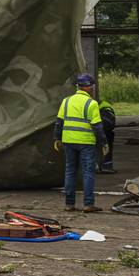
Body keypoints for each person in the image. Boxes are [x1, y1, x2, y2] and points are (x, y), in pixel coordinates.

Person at [52, 73, 108, 212]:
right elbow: (97, 126)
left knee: (70, 171)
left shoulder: (66, 101)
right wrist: (104, 143)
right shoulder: (92, 104)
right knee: (88, 172)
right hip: (86, 143)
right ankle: (88, 204)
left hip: (68, 141)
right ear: (90, 88)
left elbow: (59, 122)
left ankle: (69, 204)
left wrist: (57, 138)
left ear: (78, 86)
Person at [97, 94, 117, 174]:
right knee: (107, 141)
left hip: (102, 127)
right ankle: (106, 166)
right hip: (104, 128)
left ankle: (103, 165)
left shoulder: (103, 107)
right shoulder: (105, 106)